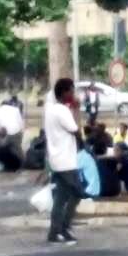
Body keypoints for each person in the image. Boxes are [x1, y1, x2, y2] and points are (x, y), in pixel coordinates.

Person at [45, 78, 84, 245]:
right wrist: (76, 109)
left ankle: (54, 231)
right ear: (64, 93)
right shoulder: (62, 110)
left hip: (57, 160)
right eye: (71, 91)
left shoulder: (51, 110)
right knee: (77, 193)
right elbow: (76, 130)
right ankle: (64, 227)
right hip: (66, 161)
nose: (73, 94)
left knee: (61, 197)